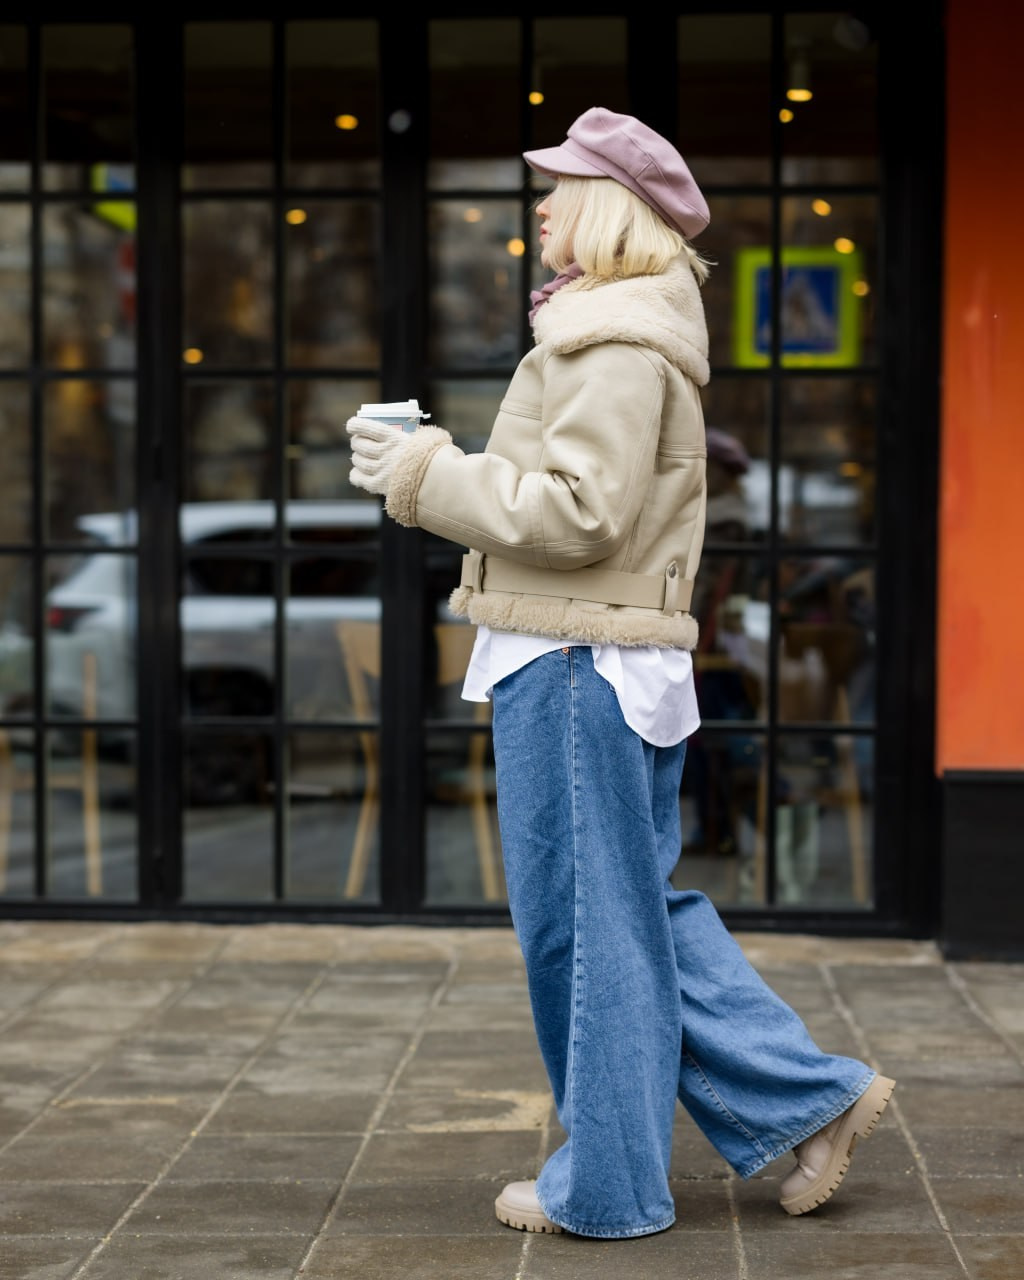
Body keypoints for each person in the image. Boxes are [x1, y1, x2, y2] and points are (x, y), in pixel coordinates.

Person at [345, 106, 895, 1240]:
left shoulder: (606, 338)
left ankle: (609, 1184)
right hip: (597, 657)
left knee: (586, 933)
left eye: (559, 187)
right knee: (627, 914)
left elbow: (578, 515)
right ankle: (804, 1101)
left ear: (608, 208)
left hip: (574, 658)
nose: (542, 205)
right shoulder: (626, 330)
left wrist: (421, 471)